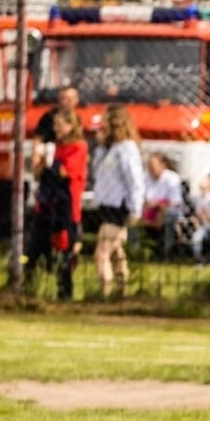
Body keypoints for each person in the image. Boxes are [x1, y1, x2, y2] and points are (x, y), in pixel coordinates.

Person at [27, 108, 87, 300]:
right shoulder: (55, 146)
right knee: (34, 246)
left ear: (70, 126)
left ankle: (65, 290)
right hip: (46, 204)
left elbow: (65, 172)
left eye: (60, 125)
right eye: (55, 125)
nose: (56, 129)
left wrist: (51, 161)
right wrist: (42, 159)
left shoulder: (78, 146)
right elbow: (37, 174)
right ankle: (27, 284)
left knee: (65, 248)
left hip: (66, 206)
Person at [90, 104, 145, 299]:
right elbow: (99, 172)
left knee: (102, 253)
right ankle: (123, 291)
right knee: (116, 252)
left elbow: (134, 179)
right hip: (106, 204)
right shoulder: (109, 148)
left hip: (118, 206)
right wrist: (101, 146)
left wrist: (135, 208)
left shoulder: (126, 148)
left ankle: (104, 293)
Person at [143, 153, 186, 260]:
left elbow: (175, 202)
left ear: (163, 165)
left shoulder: (172, 178)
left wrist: (158, 207)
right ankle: (137, 252)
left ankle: (166, 252)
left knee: (168, 216)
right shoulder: (144, 177)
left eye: (153, 166)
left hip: (166, 210)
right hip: (147, 210)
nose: (150, 169)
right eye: (149, 166)